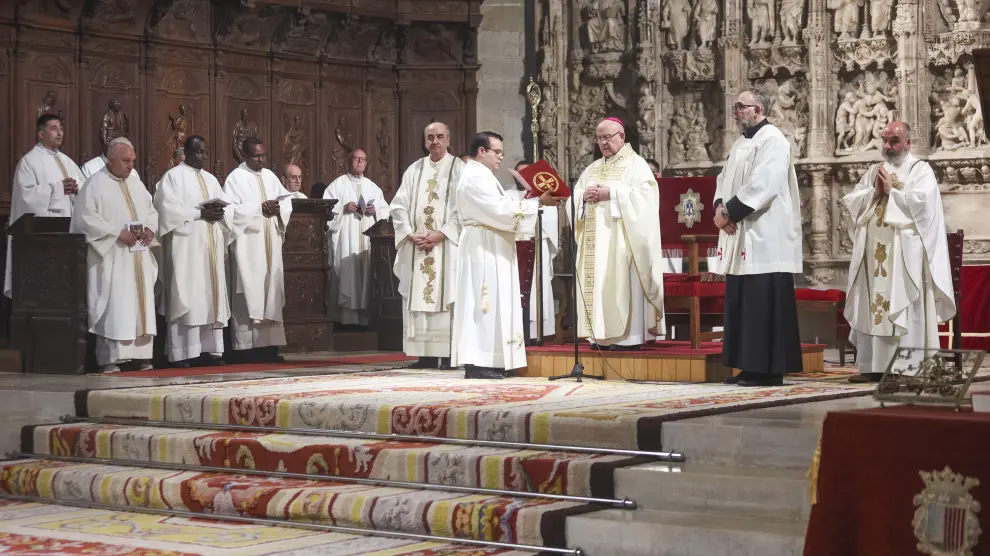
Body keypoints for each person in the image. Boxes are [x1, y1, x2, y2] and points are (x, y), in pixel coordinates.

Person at [842, 121, 955, 383]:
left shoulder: (920, 170)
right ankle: (872, 366)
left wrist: (894, 193)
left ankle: (909, 367)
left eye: (893, 140)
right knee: (874, 305)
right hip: (873, 254)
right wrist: (875, 193)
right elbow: (853, 202)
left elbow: (924, 210)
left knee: (902, 304)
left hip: (905, 256)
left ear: (907, 143)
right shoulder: (874, 171)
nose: (887, 146)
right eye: (885, 140)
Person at [450, 131, 561, 379]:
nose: (501, 156)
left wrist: (531, 198)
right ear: (482, 151)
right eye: (497, 151)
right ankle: (479, 362)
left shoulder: (482, 175)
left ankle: (492, 359)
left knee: (494, 303)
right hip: (483, 246)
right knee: (484, 303)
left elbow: (501, 204)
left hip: (491, 242)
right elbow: (499, 210)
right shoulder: (475, 177)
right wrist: (537, 203)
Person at [713, 87, 803, 387]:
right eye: (736, 106)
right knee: (743, 302)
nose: (737, 111)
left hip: (765, 236)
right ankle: (748, 365)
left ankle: (769, 369)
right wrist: (718, 208)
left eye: (742, 106)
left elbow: (765, 184)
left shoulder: (773, 140)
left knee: (763, 304)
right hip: (741, 233)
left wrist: (730, 212)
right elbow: (723, 179)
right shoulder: (740, 143)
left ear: (759, 109)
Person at [570, 118, 666, 351]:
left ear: (621, 137)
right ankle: (599, 337)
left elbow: (647, 197)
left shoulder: (637, 164)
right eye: (599, 138)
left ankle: (627, 338)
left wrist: (611, 194)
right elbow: (574, 196)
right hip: (595, 243)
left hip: (624, 241)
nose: (603, 142)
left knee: (622, 283)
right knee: (600, 285)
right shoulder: (592, 168)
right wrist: (582, 197)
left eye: (608, 137)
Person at [70, 138, 157, 373]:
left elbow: (151, 210)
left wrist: (150, 228)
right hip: (112, 258)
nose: (131, 166)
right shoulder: (94, 185)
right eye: (126, 161)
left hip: (137, 257)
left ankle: (141, 355)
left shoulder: (136, 184)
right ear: (111, 160)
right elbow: (84, 219)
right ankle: (112, 359)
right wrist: (116, 233)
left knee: (139, 304)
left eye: (133, 161)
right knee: (116, 304)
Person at [154, 136, 234, 368]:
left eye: (206, 152)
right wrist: (200, 214)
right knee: (188, 296)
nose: (204, 156)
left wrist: (220, 212)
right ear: (187, 153)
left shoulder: (210, 179)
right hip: (187, 248)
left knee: (210, 296)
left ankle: (210, 351)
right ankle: (182, 353)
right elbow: (166, 211)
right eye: (199, 152)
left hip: (210, 245)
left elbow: (229, 209)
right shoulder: (173, 177)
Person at [390, 122, 464, 369]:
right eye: (430, 137)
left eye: (440, 136)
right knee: (419, 294)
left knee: (447, 295)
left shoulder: (458, 168)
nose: (435, 141)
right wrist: (409, 233)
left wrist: (441, 234)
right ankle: (425, 355)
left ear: (448, 139)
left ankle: (448, 356)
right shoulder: (415, 169)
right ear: (424, 142)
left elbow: (463, 207)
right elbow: (399, 204)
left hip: (446, 246)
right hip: (417, 247)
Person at [223, 137, 294, 363]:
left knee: (270, 291)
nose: (261, 159)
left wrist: (277, 207)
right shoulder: (235, 178)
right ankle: (246, 348)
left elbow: (287, 201)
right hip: (249, 246)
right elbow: (229, 211)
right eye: (257, 156)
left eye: (263, 155)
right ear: (244, 156)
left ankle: (269, 347)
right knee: (249, 291)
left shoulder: (270, 176)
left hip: (270, 242)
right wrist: (258, 208)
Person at [5, 114, 84, 298]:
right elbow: (25, 197)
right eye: (53, 128)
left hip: (68, 234)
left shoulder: (67, 161)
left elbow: (85, 188)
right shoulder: (29, 162)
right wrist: (58, 189)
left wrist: (77, 188)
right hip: (41, 237)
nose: (59, 133)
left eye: (61, 128)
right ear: (40, 134)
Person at [323, 149, 390, 326]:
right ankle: (346, 319)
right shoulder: (337, 185)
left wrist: (376, 210)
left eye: (363, 159)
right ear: (349, 161)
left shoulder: (372, 187)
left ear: (366, 163)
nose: (360, 162)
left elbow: (386, 210)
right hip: (347, 239)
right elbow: (325, 211)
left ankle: (365, 320)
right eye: (356, 158)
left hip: (367, 242)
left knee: (366, 273)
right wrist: (342, 209)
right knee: (348, 274)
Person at [508, 160, 559, 339]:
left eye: (526, 173)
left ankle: (539, 331)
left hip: (538, 245)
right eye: (519, 173)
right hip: (514, 247)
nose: (522, 177)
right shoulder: (507, 195)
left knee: (539, 286)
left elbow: (549, 224)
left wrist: (535, 202)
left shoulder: (545, 196)